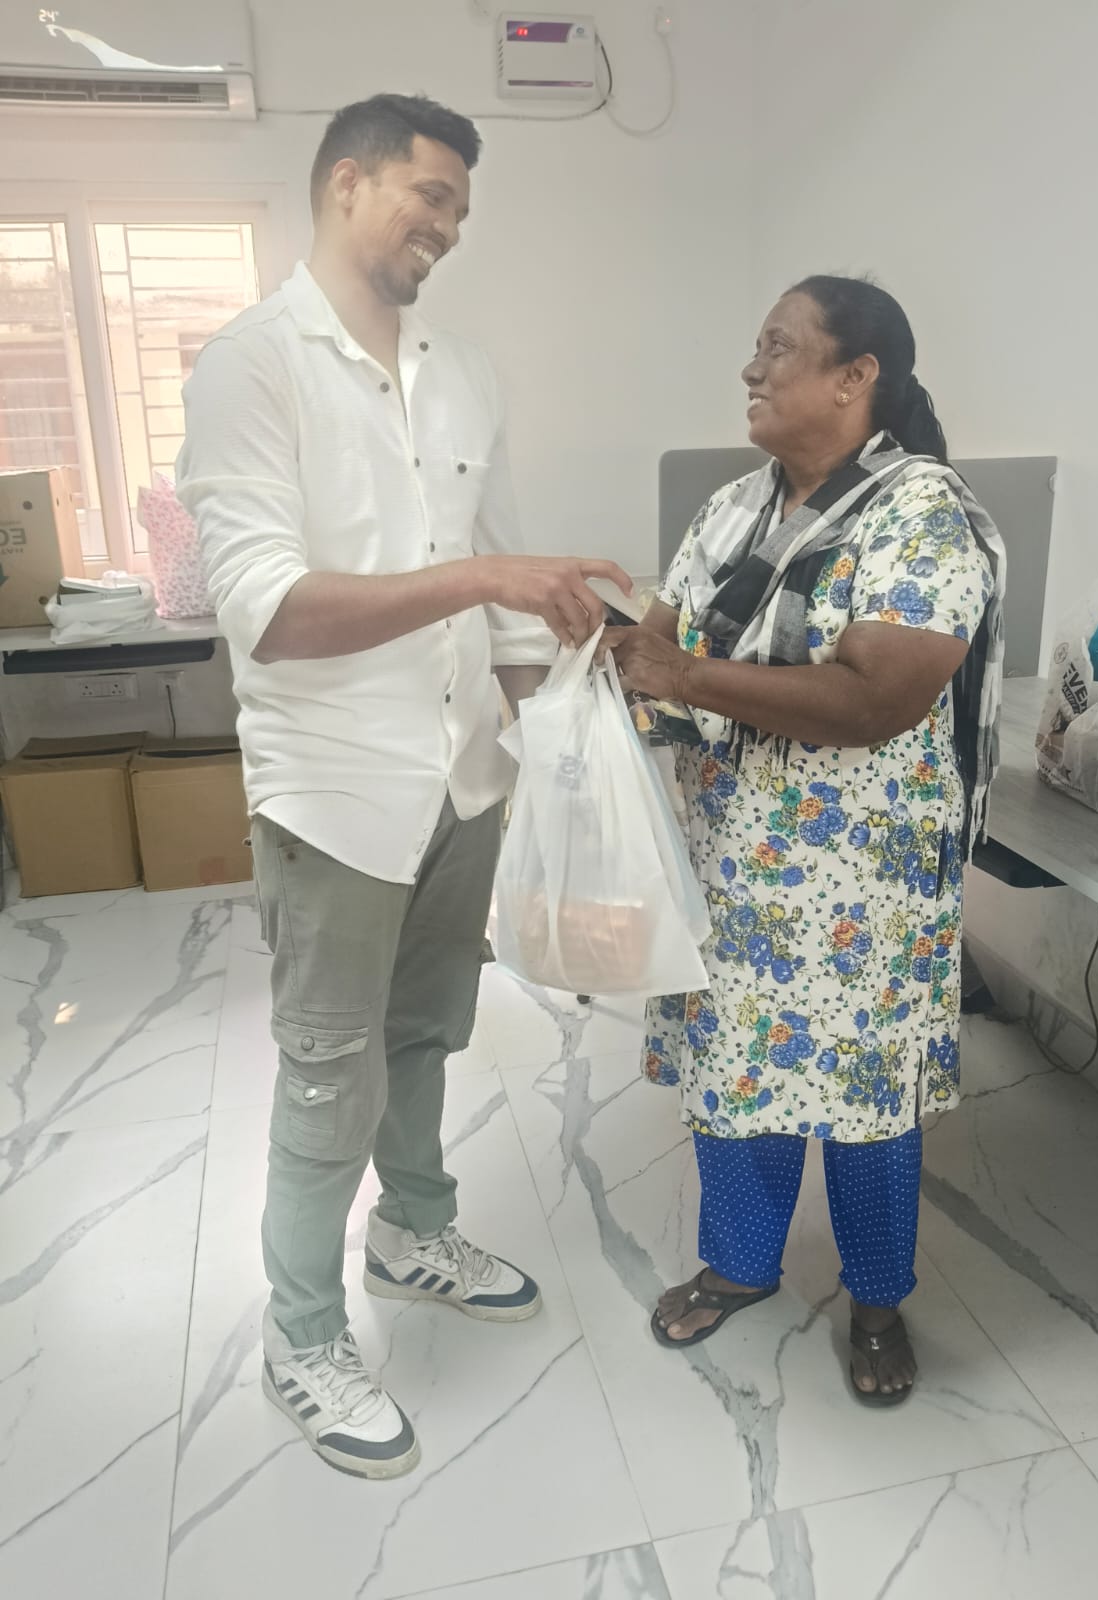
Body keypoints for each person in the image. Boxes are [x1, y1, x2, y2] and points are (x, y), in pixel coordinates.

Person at [178, 93, 630, 1479]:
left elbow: (499, 590)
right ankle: (302, 1335)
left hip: (463, 778)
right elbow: (269, 609)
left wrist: (569, 716)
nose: (448, 226)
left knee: (426, 1033)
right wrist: (488, 574)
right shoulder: (253, 367)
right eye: (430, 195)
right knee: (330, 1074)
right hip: (333, 796)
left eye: (461, 210)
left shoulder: (462, 372)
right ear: (347, 181)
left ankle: (411, 1231)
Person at [607, 276, 1005, 1404]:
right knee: (737, 1070)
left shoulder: (920, 513)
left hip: (867, 874)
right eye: (756, 346)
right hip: (732, 860)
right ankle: (742, 1264)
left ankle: (877, 1297)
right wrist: (609, 648)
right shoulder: (731, 510)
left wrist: (683, 673)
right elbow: (662, 648)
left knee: (868, 1095)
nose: (752, 367)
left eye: (778, 347)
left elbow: (879, 694)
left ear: (854, 376)